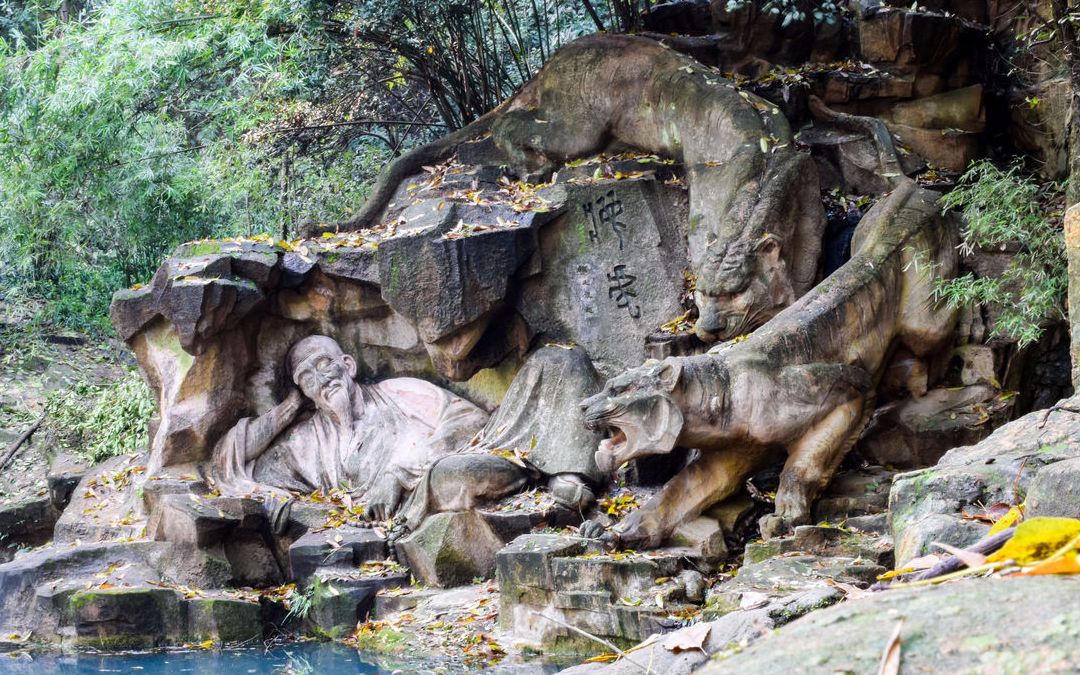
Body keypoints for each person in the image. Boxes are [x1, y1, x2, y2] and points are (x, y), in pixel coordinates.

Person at [211, 335, 488, 522]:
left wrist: (398, 476)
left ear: (348, 365)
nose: (321, 379)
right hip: (359, 536)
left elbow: (470, 420)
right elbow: (233, 461)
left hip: (427, 504)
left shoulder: (398, 393)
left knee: (459, 474)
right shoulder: (306, 441)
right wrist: (291, 407)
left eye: (324, 364)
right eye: (307, 377)